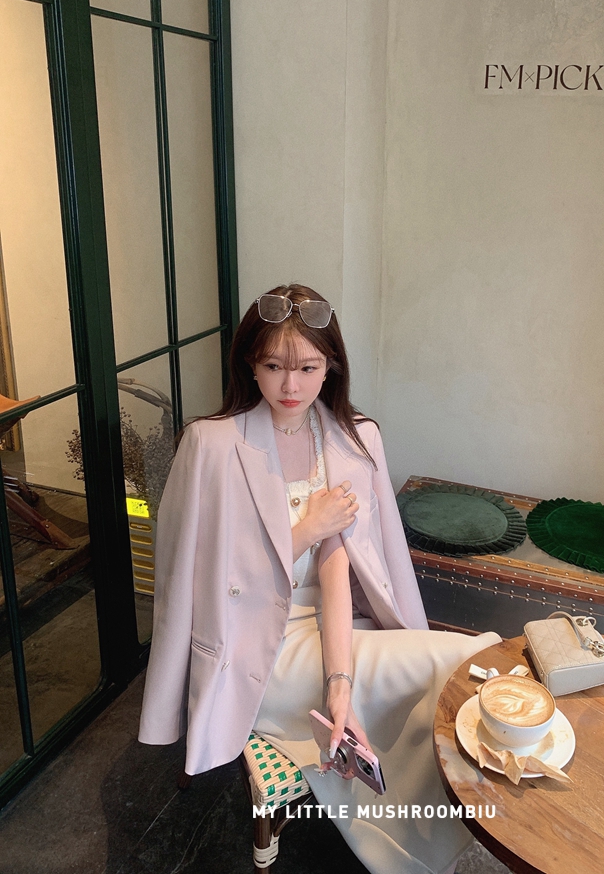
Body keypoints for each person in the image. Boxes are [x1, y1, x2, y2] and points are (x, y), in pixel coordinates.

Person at [139, 283, 501, 874]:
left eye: (307, 368)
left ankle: (426, 840)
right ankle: (419, 846)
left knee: (462, 665)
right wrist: (307, 528)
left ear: (330, 367)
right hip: (254, 650)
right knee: (456, 663)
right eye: (274, 366)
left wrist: (338, 684)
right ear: (249, 364)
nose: (291, 385)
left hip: (336, 630)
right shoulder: (210, 443)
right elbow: (201, 583)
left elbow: (338, 573)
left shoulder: (351, 438)